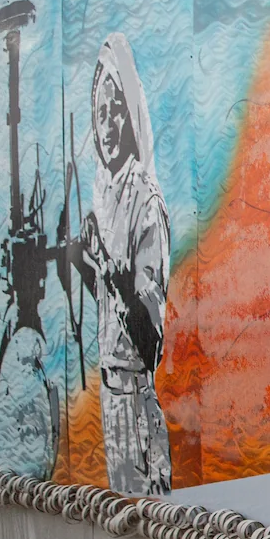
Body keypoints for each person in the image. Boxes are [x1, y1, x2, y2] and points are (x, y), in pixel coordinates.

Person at [75, 33, 172, 496]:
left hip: (135, 402)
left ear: (132, 116)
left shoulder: (145, 205)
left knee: (146, 528)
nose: (107, 123)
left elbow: (151, 343)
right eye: (100, 108)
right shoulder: (106, 198)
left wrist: (115, 275)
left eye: (117, 109)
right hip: (112, 400)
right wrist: (85, 260)